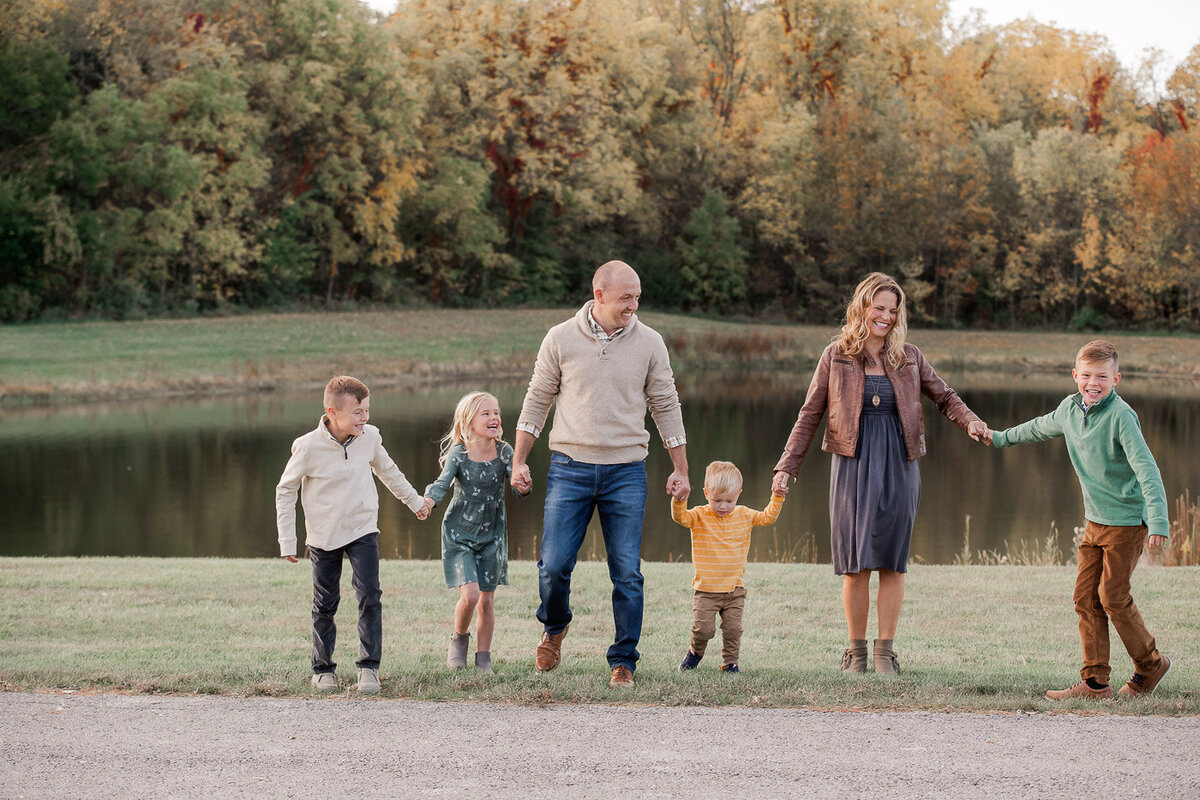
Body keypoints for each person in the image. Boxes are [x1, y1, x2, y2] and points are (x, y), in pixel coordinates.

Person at [771, 272, 987, 674]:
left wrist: (971, 421)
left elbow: (945, 397)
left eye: (893, 310)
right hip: (851, 465)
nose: (885, 317)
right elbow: (810, 414)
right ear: (862, 307)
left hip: (899, 465)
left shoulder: (909, 357)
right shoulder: (835, 355)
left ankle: (886, 652)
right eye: (879, 308)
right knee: (855, 563)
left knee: (892, 561)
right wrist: (788, 464)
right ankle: (856, 653)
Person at [511, 260, 689, 689]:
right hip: (569, 468)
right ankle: (554, 628)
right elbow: (537, 401)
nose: (634, 305)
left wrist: (681, 468)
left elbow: (665, 404)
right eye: (626, 297)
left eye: (638, 297)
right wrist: (519, 460)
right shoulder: (560, 338)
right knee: (553, 566)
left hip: (627, 470)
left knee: (626, 570)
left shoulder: (650, 343)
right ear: (600, 296)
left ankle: (623, 660)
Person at [983, 340, 1171, 700]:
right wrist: (999, 438)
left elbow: (1146, 469)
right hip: (1094, 522)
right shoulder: (1069, 409)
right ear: (1075, 376)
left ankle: (1151, 666)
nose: (1093, 383)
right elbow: (1037, 428)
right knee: (1086, 598)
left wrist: (1159, 521)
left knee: (1113, 596)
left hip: (1127, 522)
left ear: (1116, 378)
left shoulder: (1122, 416)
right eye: (1086, 375)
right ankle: (1095, 683)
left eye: (1102, 376)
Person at [275, 375, 425, 694]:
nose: (365, 418)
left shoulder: (369, 437)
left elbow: (389, 472)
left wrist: (415, 502)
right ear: (332, 412)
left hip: (362, 529)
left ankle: (369, 668)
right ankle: (323, 668)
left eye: (367, 410)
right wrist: (287, 540)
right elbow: (285, 491)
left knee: (370, 594)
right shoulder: (307, 447)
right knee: (325, 603)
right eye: (358, 412)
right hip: (323, 535)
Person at [419, 391, 525, 675]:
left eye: (496, 412)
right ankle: (458, 640)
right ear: (469, 421)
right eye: (486, 413)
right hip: (460, 534)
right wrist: (429, 501)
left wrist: (523, 485)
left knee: (487, 600)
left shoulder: (505, 452)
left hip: (492, 536)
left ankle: (484, 659)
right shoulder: (460, 453)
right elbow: (442, 483)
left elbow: (516, 486)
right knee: (471, 596)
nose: (494, 418)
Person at [672, 461, 787, 674]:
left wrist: (777, 496)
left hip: (735, 589)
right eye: (717, 500)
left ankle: (730, 663)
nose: (723, 506)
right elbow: (680, 517)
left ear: (739, 494)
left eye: (729, 500)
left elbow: (767, 517)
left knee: (733, 630)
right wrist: (679, 500)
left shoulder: (744, 515)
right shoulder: (699, 516)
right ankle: (695, 652)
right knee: (703, 630)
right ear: (706, 493)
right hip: (706, 590)